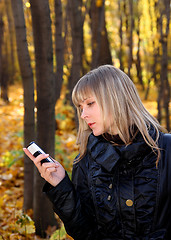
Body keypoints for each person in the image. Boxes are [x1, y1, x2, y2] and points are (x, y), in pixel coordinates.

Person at [23, 65, 171, 240]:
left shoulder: (166, 149)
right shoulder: (85, 161)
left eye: (90, 103)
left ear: (115, 98)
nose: (84, 114)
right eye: (80, 107)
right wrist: (62, 186)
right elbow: (85, 234)